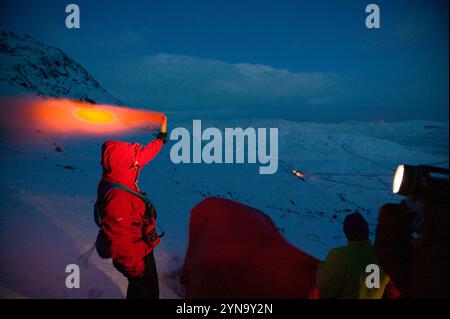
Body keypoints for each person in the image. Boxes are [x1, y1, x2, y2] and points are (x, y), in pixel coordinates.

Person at [96, 117, 168, 299]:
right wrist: (137, 270)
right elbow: (120, 244)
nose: (138, 163)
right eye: (134, 161)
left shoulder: (120, 175)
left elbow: (144, 156)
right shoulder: (117, 197)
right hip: (136, 257)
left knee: (145, 293)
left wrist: (160, 140)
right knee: (145, 294)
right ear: (126, 164)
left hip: (141, 248)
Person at [315, 212, 389, 299]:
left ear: (346, 233)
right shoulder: (383, 257)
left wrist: (320, 268)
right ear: (367, 231)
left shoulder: (340, 256)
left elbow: (325, 290)